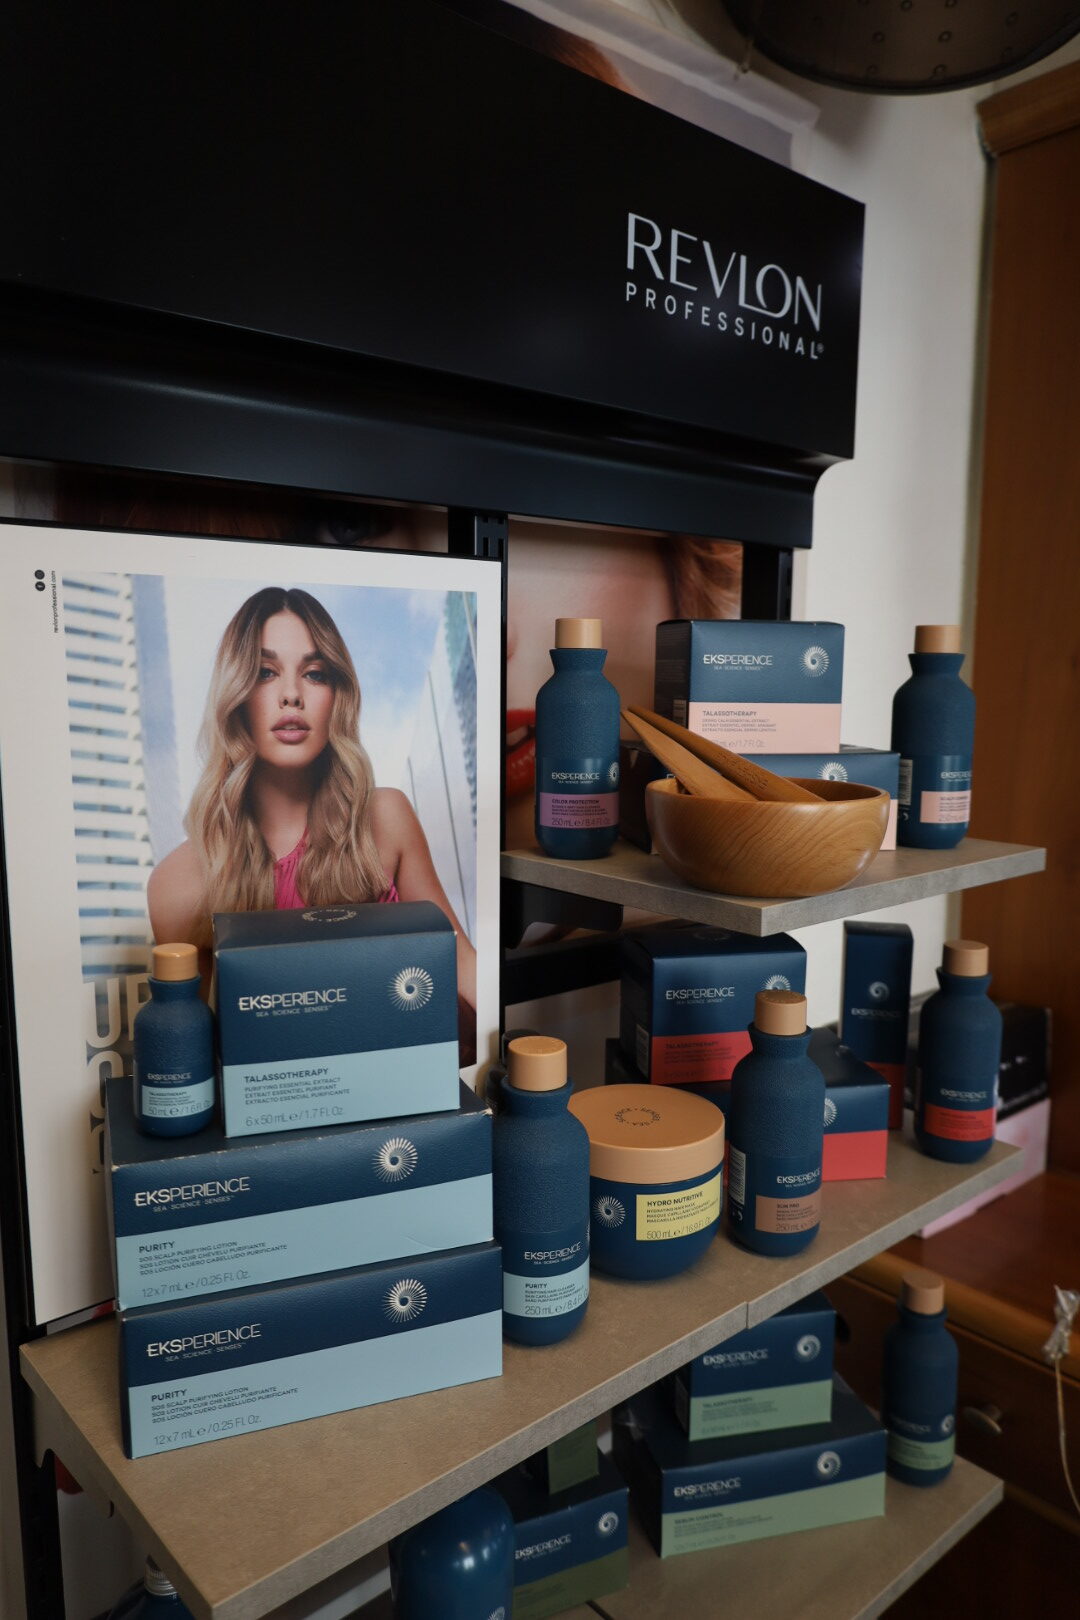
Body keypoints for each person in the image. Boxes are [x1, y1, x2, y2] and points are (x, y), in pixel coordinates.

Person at [147, 585, 477, 1058]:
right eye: (265, 672)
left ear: (338, 696)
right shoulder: (177, 886)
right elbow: (198, 1059)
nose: (291, 696)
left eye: (314, 673)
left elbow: (461, 964)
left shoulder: (386, 819)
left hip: (403, 1083)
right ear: (235, 695)